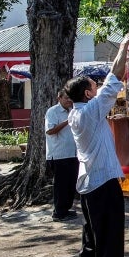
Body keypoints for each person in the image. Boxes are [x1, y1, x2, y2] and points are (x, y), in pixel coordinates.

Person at [63, 32, 129, 257]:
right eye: (94, 85)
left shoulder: (76, 115)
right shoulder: (91, 111)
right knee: (111, 248)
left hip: (89, 184)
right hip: (103, 184)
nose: (98, 85)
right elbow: (115, 77)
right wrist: (123, 47)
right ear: (88, 94)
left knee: (92, 247)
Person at [45, 90, 79, 222]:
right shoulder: (52, 112)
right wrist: (67, 121)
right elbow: (50, 130)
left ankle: (66, 208)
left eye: (71, 98)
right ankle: (58, 212)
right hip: (59, 155)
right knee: (61, 185)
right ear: (59, 98)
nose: (69, 100)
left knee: (71, 183)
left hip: (72, 153)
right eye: (66, 98)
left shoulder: (73, 110)